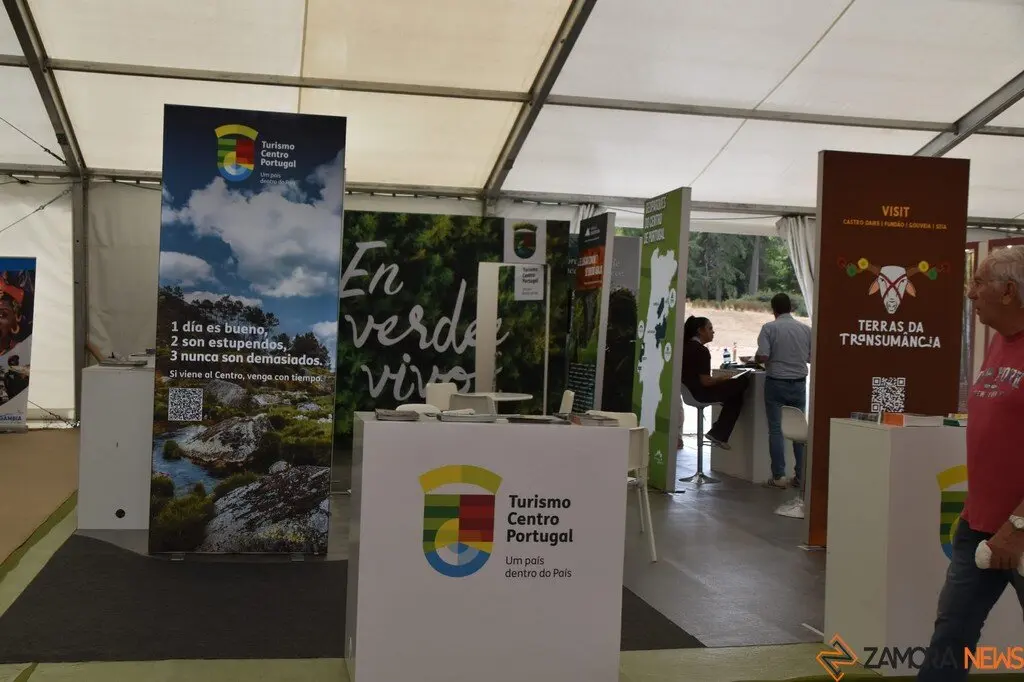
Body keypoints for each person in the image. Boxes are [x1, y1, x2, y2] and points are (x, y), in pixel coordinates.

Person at [917, 247, 1024, 681]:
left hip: (1017, 529)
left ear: (1009, 291)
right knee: (950, 636)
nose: (969, 293)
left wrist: (1016, 527)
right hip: (978, 526)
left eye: (978, 283)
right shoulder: (998, 340)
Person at [754, 293, 812, 489]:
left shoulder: (769, 328)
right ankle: (801, 476)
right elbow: (812, 358)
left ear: (773, 310)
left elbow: (763, 356)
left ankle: (779, 476)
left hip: (776, 383)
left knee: (777, 430)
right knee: (798, 430)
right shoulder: (806, 330)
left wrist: (755, 358)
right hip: (799, 384)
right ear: (791, 308)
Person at [680, 315, 749, 450]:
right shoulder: (701, 351)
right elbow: (706, 382)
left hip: (688, 392)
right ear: (700, 331)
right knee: (741, 383)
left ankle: (719, 433)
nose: (713, 332)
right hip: (700, 394)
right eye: (710, 328)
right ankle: (718, 433)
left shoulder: (684, 347)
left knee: (735, 397)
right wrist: (721, 379)